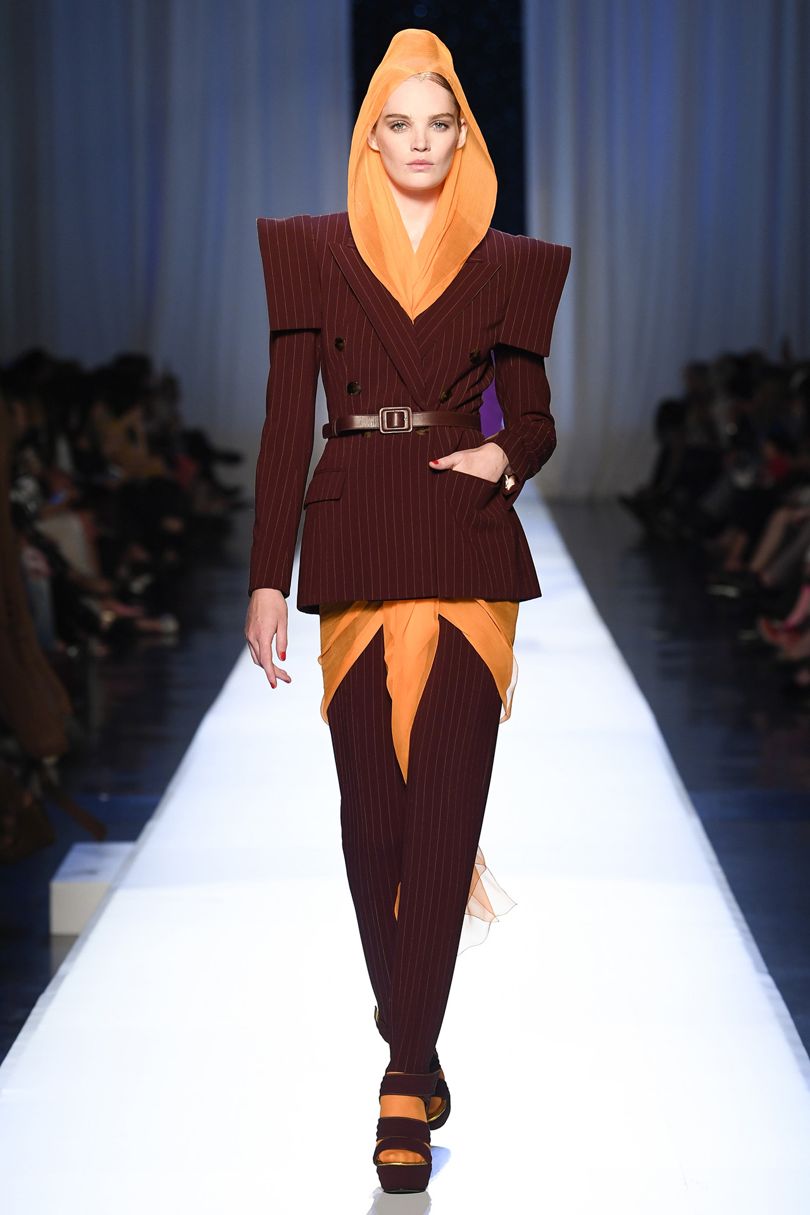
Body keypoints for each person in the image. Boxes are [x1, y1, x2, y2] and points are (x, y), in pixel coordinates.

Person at [244, 28, 571, 1194]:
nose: (421, 143)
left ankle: (399, 1082)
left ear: (463, 136)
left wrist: (505, 457)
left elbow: (534, 414)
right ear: (369, 137)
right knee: (372, 826)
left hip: (466, 541)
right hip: (352, 542)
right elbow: (285, 420)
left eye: (441, 124)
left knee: (441, 816)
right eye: (400, 124)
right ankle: (418, 1039)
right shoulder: (310, 251)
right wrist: (266, 576)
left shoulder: (509, 264)